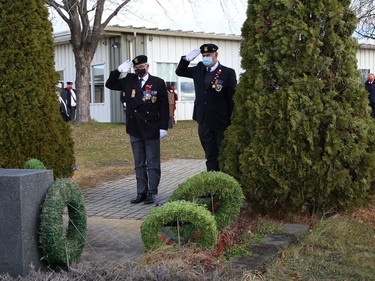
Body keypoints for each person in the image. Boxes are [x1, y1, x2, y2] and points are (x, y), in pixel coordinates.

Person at [105, 55, 169, 204]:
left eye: (141, 67)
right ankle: (141, 191)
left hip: (151, 127)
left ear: (147, 66)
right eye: (136, 67)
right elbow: (110, 84)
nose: (139, 69)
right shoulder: (129, 80)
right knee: (139, 163)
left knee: (152, 163)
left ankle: (152, 192)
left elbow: (164, 107)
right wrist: (118, 71)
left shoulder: (157, 83)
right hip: (134, 127)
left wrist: (163, 127)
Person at [176, 43, 237, 171]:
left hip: (221, 121)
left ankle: (223, 186)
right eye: (203, 56)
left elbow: (231, 99)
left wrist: (233, 120)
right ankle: (212, 187)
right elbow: (180, 71)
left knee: (222, 155)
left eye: (208, 55)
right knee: (210, 156)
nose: (205, 58)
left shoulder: (227, 73)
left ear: (216, 55)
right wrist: (186, 60)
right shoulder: (199, 69)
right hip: (203, 120)